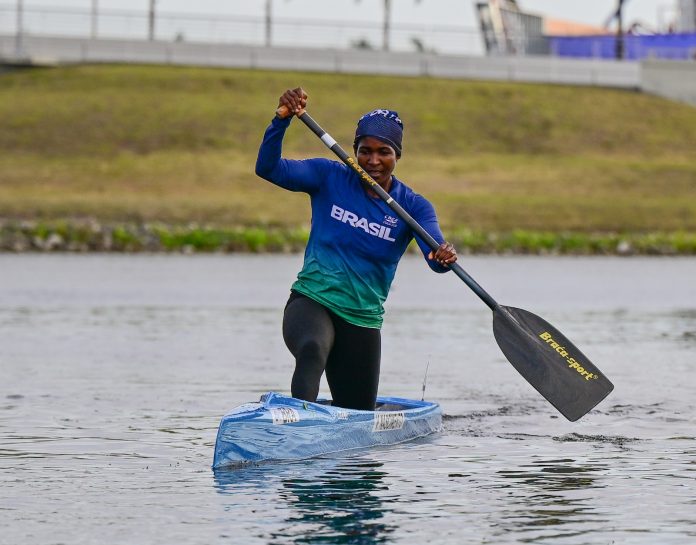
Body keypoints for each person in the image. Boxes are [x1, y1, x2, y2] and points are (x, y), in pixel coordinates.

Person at [255, 87, 457, 411]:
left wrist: (443, 256)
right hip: (312, 301)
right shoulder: (328, 176)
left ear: (397, 156)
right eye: (365, 151)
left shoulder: (414, 207)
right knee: (311, 349)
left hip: (362, 321)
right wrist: (280, 121)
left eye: (384, 152)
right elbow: (269, 169)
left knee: (357, 410)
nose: (373, 161)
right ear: (354, 151)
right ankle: (297, 423)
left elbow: (435, 259)